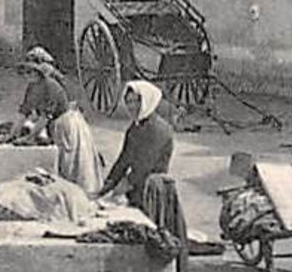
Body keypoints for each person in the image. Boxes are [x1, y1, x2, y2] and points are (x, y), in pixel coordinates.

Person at [16, 46, 104, 194]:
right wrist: (13, 133)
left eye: (31, 71)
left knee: (72, 163)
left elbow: (45, 117)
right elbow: (23, 111)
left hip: (67, 125)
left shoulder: (51, 86)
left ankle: (77, 194)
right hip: (56, 125)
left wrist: (29, 138)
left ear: (40, 72)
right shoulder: (32, 87)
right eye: (25, 71)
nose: (27, 75)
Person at [100, 80, 175, 211]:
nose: (131, 107)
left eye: (136, 102)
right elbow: (123, 160)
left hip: (153, 192)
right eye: (128, 102)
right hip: (137, 189)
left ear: (146, 101)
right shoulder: (134, 129)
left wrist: (123, 185)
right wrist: (107, 185)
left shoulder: (159, 130)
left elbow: (144, 166)